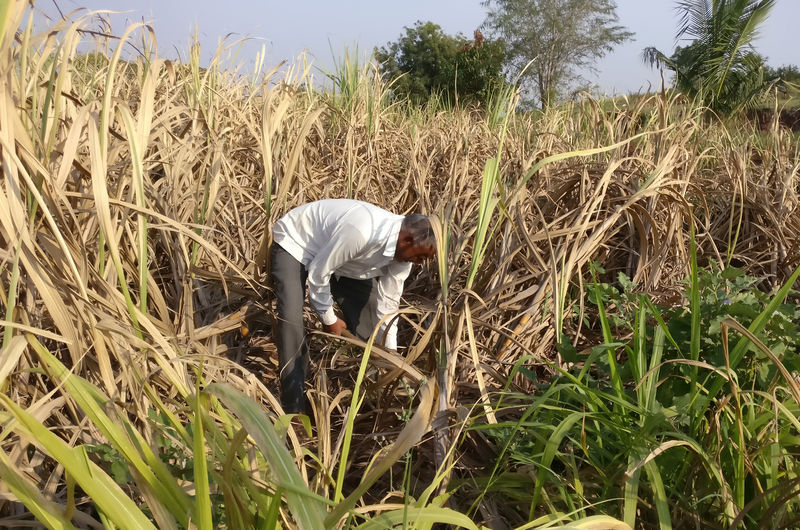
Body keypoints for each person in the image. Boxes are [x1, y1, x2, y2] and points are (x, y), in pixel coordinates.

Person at [269, 199, 436, 413]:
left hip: (345, 261)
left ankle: (372, 389)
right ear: (406, 241)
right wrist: (329, 319)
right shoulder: (361, 231)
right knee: (291, 319)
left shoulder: (404, 257)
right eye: (420, 257)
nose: (419, 263)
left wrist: (391, 355)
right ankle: (294, 407)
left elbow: (389, 305)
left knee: (371, 308)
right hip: (298, 243)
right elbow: (319, 272)